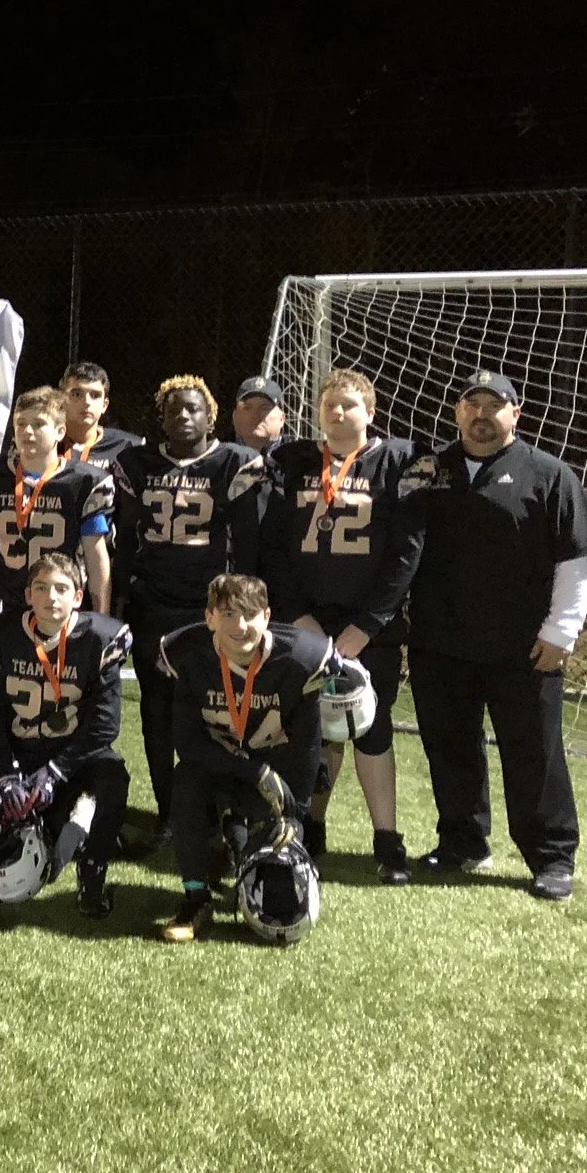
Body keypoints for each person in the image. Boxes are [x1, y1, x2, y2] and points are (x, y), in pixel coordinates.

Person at [407, 370, 587, 901]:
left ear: (514, 414)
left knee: (533, 752)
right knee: (450, 748)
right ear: (457, 413)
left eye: (494, 405)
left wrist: (563, 629)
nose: (481, 414)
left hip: (524, 648)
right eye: (471, 404)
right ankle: (462, 843)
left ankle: (551, 856)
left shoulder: (548, 474)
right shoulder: (429, 470)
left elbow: (577, 556)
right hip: (440, 643)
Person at [259, 369, 430, 884]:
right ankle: (310, 826)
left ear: (370, 413)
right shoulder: (294, 462)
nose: (338, 414)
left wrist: (368, 625)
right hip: (306, 621)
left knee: (369, 730)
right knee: (313, 728)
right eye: (329, 405)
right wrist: (298, 616)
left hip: (365, 625)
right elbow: (275, 546)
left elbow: (407, 551)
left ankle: (387, 837)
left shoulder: (396, 461)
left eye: (349, 406)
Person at [156, 573, 366, 942]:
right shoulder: (187, 654)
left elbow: (307, 743)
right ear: (209, 619)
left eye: (250, 614)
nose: (240, 626)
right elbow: (187, 743)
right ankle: (196, 897)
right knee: (186, 784)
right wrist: (252, 770)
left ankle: (240, 843)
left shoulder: (302, 657)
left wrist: (294, 812)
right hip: (217, 765)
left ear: (267, 616)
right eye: (228, 615)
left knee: (276, 877)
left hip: (279, 770)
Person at [111, 376, 265, 848]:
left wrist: (243, 607)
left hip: (209, 610)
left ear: (210, 415)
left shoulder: (233, 463)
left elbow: (248, 547)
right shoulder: (136, 463)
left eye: (193, 409)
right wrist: (118, 602)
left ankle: (223, 810)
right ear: (161, 416)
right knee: (156, 712)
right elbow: (124, 542)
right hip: (153, 605)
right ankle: (169, 812)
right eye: (175, 409)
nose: (184, 417)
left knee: (216, 712)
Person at [0, 553, 133, 918]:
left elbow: (104, 727)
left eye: (61, 589)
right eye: (41, 588)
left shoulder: (101, 637)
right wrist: (7, 773)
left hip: (74, 754)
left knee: (113, 778)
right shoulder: (1, 633)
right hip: (23, 750)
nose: (51, 598)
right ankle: (72, 825)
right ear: (28, 594)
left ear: (78, 597)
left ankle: (93, 871)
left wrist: (56, 771)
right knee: (3, 828)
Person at [0, 386, 113, 613]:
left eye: (39, 424)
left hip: (59, 608)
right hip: (3, 601)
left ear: (60, 431)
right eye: (21, 424)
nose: (27, 432)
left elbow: (96, 559)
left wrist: (101, 615)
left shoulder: (83, 482)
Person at [60, 361, 144, 468]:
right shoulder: (45, 444)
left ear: (105, 405)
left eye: (95, 395)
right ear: (61, 400)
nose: (87, 402)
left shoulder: (129, 447)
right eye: (77, 394)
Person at [232, 375, 289, 457]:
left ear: (282, 419)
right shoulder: (219, 462)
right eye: (247, 408)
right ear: (234, 417)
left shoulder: (298, 460)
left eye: (265, 408)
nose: (255, 415)